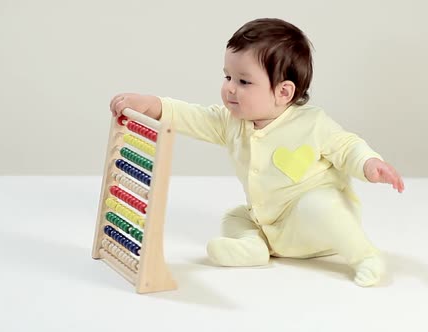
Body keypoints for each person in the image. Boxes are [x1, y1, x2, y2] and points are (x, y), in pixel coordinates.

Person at [109, 18, 405, 287]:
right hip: (270, 225)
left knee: (318, 204)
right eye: (227, 77)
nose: (230, 89)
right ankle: (253, 246)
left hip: (318, 227)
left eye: (244, 81)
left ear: (283, 92)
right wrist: (154, 104)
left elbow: (347, 146)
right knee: (234, 216)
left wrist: (368, 163)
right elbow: (193, 116)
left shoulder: (312, 123)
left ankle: (365, 256)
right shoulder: (231, 122)